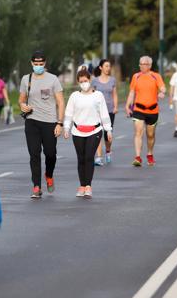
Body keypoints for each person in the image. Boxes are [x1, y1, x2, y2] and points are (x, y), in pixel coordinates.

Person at [19, 50, 65, 199]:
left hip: (50, 122)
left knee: (51, 154)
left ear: (44, 64)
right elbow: (21, 99)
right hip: (32, 121)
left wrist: (60, 123)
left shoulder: (53, 79)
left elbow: (60, 102)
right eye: (35, 63)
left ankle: (49, 175)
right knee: (34, 154)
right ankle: (36, 186)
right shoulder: (26, 79)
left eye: (41, 64)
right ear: (31, 63)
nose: (38, 66)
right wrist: (22, 106)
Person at [64, 68, 112, 199]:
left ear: (90, 80)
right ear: (78, 82)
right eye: (81, 82)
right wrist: (66, 128)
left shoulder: (98, 96)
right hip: (78, 131)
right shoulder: (74, 96)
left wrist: (108, 129)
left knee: (89, 157)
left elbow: (104, 114)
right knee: (81, 158)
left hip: (94, 130)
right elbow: (69, 113)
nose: (84, 83)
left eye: (85, 81)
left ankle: (88, 186)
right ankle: (82, 185)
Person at [125, 56, 166, 167]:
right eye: (140, 64)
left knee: (150, 135)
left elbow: (162, 87)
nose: (142, 66)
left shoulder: (156, 76)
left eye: (144, 64)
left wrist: (162, 92)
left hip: (152, 110)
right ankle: (138, 157)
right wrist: (127, 105)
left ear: (149, 65)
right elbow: (132, 92)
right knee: (138, 132)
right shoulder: (136, 76)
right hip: (138, 109)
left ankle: (150, 154)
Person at [92, 59, 118, 165]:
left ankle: (108, 151)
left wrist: (116, 107)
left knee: (108, 135)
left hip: (109, 110)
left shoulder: (112, 80)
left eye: (109, 66)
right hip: (97, 111)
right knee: (97, 133)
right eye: (106, 66)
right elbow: (91, 94)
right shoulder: (94, 81)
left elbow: (114, 94)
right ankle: (98, 157)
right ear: (101, 67)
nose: (108, 68)